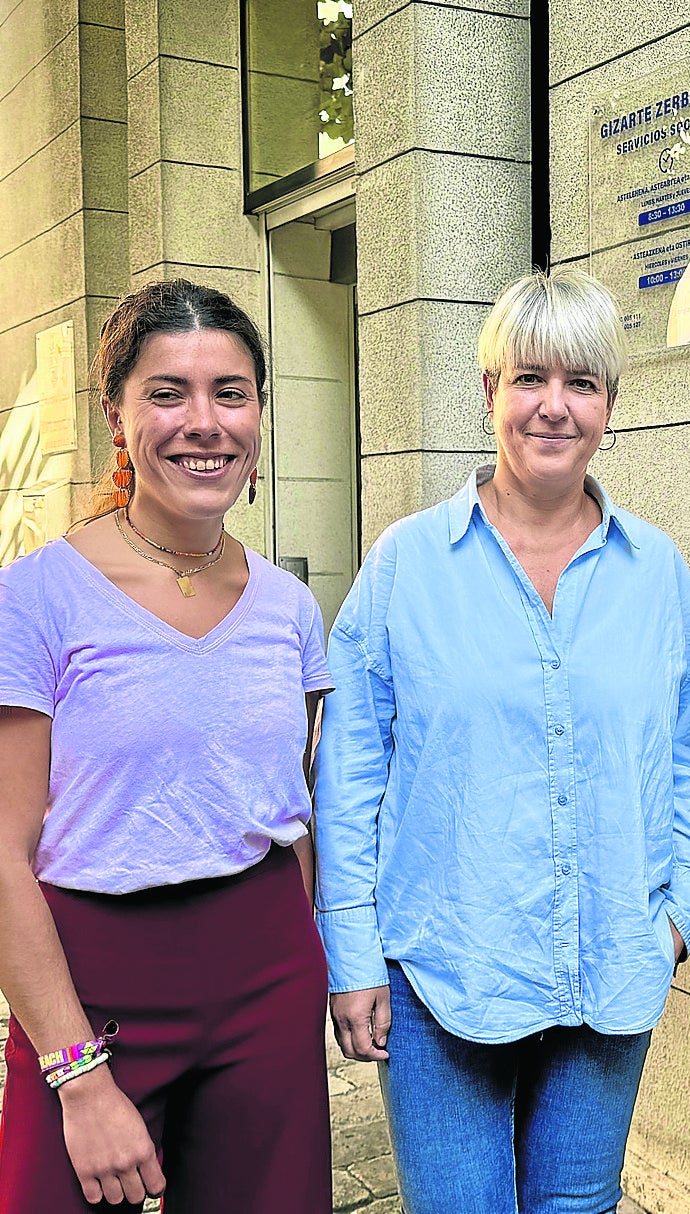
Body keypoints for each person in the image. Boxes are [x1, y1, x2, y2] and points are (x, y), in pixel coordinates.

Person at [314, 266, 690, 1214]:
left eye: (581, 382)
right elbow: (350, 771)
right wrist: (354, 957)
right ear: (490, 390)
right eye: (529, 378)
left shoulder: (655, 570)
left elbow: (681, 756)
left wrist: (680, 912)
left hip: (610, 959)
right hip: (444, 967)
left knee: (579, 1205)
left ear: (610, 404)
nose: (553, 406)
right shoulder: (408, 563)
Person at [0, 280, 334, 1212]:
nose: (204, 422)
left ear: (260, 413)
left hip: (265, 973)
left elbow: (290, 812)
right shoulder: (36, 598)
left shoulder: (290, 610)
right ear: (116, 414)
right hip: (91, 979)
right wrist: (76, 1076)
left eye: (230, 393)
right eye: (167, 393)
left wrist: (304, 954)